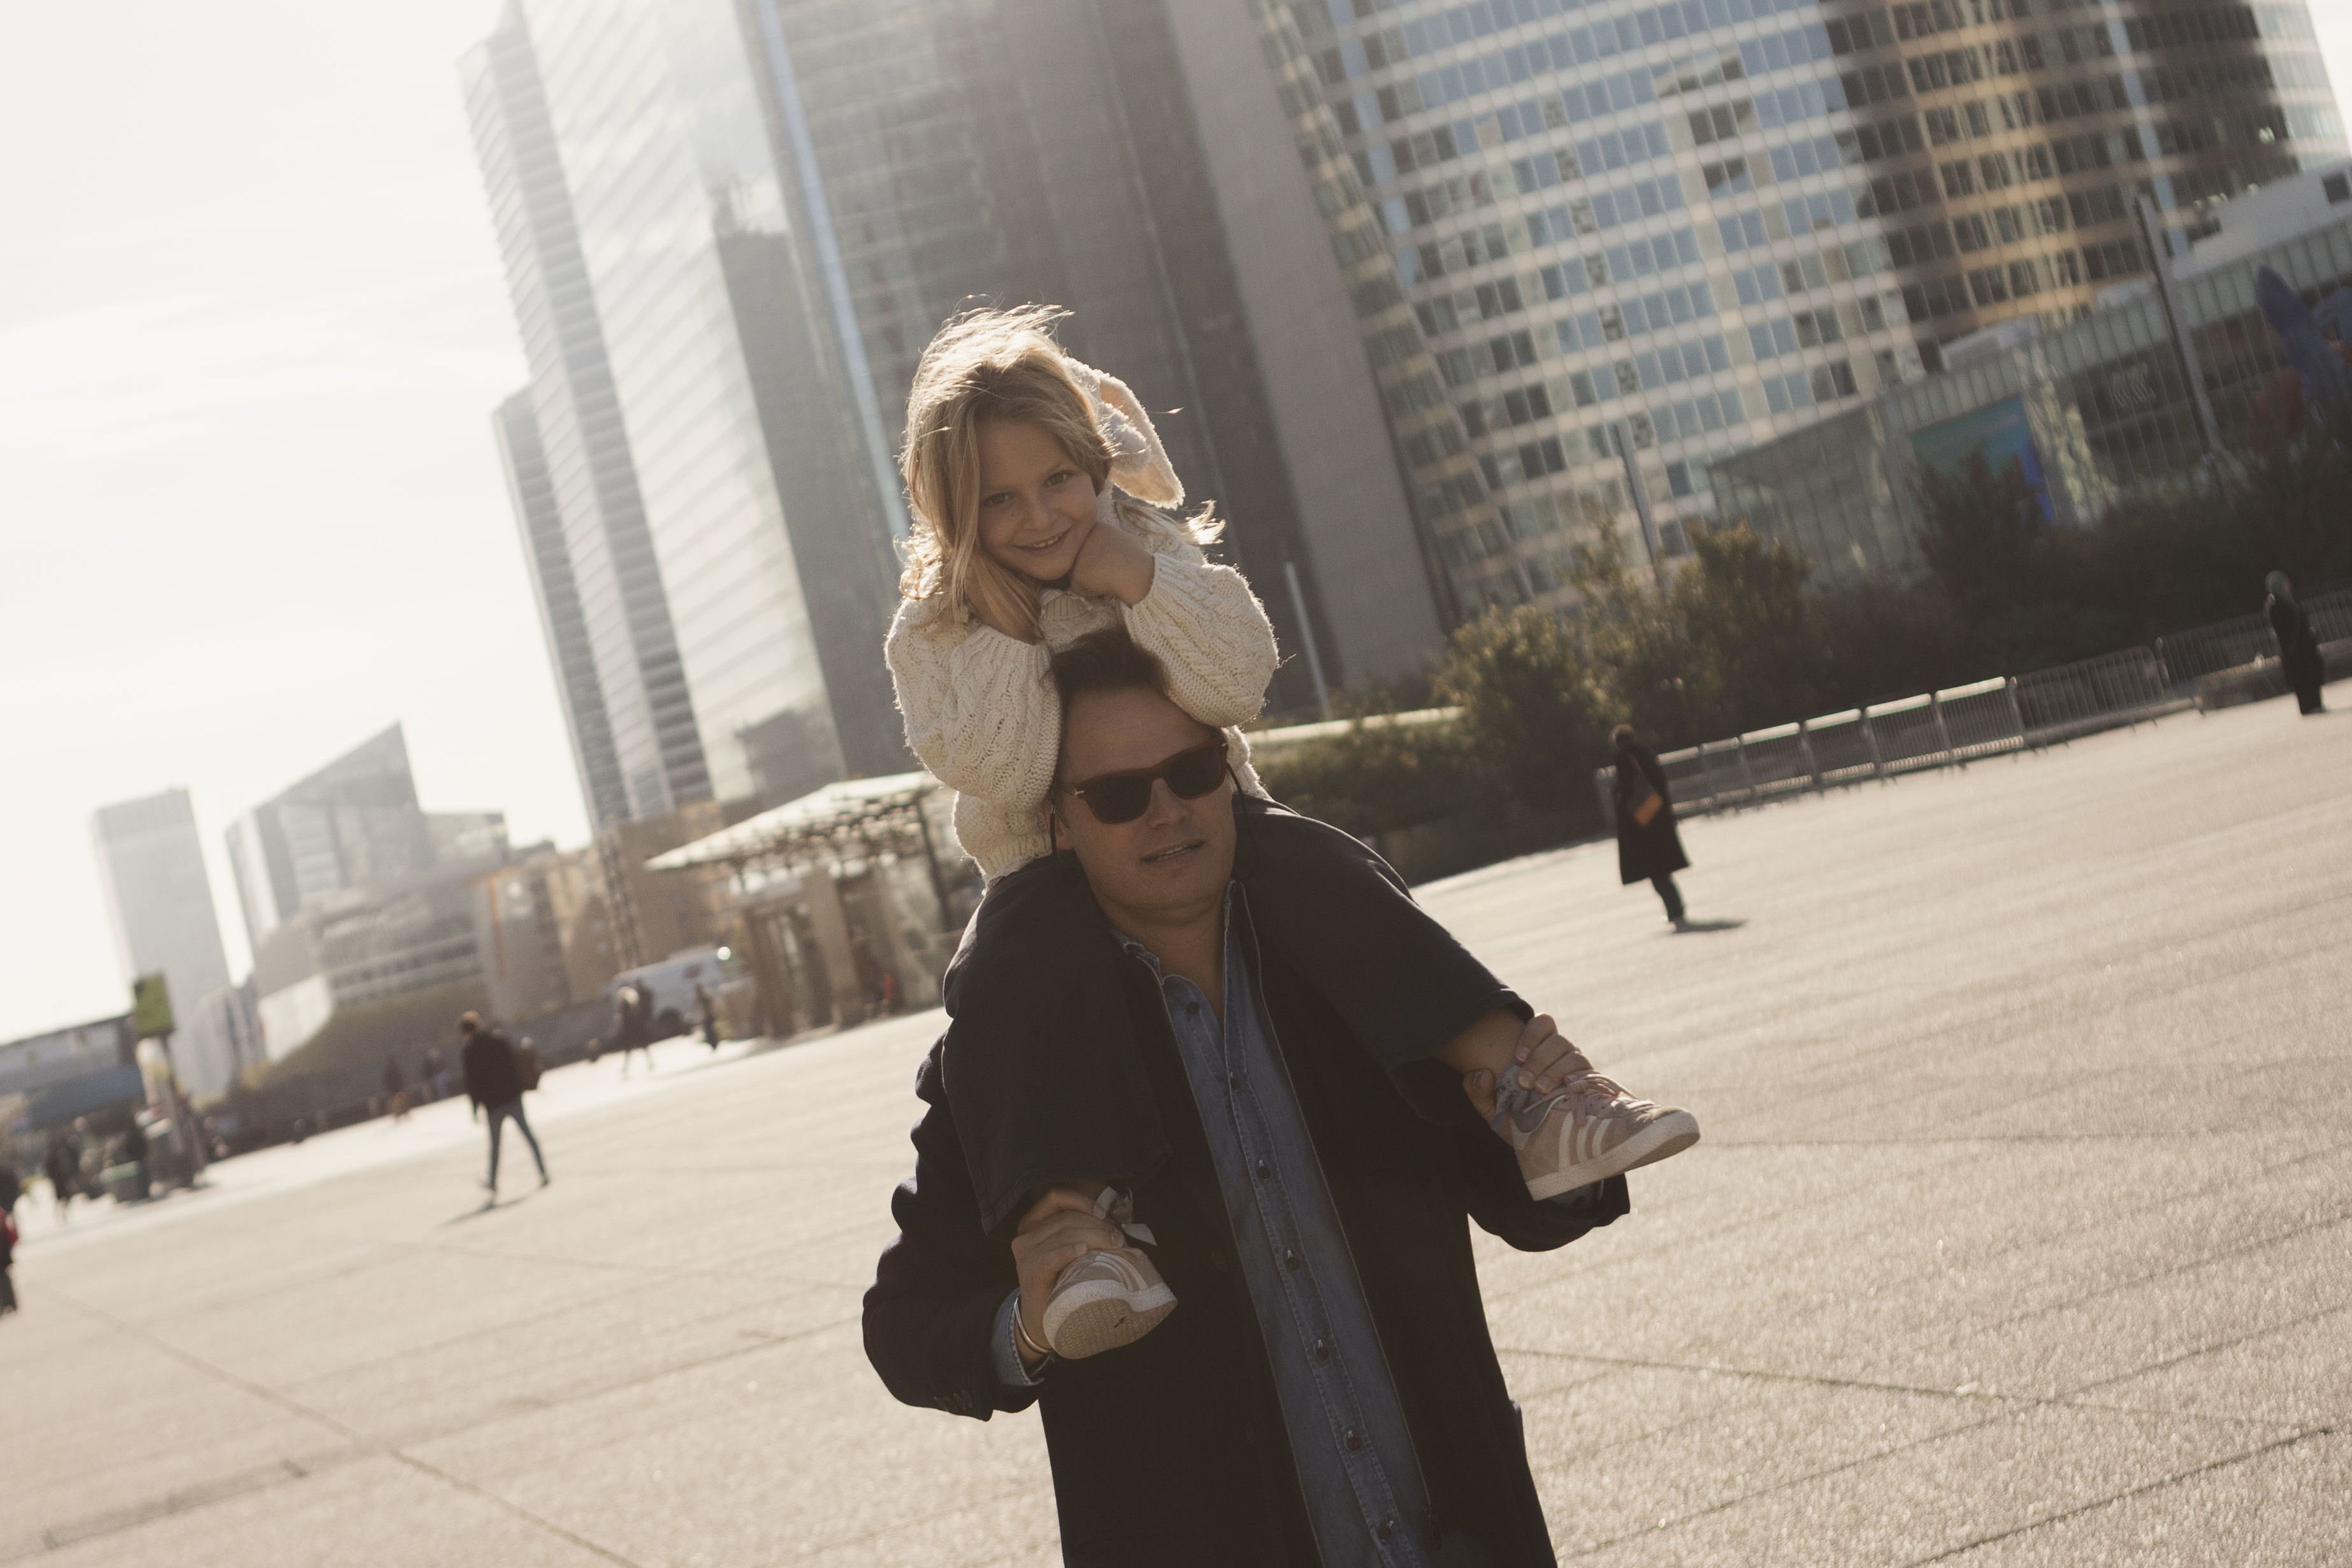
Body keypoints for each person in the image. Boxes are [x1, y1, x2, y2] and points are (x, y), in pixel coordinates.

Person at [885, 309, 1694, 1364]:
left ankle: (1538, 1097)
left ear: (1097, 465)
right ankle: (1076, 1233)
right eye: (999, 499)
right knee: (1006, 958)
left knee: (1323, 864)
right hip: (1050, 874)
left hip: (1226, 840)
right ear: (956, 512)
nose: (1042, 517)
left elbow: (1238, 678)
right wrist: (1024, 616)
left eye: (1059, 480)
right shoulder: (942, 627)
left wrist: (1133, 577)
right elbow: (1002, 762)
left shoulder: (1148, 552)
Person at [867, 631, 1671, 1563]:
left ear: (1230, 772)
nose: (1166, 811)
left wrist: (1550, 1136)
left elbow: (1541, 1205)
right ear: (1059, 821)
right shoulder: (1023, 1057)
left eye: (1192, 771)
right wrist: (1032, 1326)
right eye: (1119, 796)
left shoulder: (1354, 975)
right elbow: (903, 1324)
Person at [459, 1012, 547, 1196]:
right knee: (528, 1135)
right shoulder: (498, 1041)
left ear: (465, 1032)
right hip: (513, 1097)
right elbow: (515, 1065)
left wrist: (475, 1109)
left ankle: (492, 1181)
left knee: (495, 1145)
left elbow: (473, 1084)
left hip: (493, 1105)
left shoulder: (470, 1052)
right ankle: (543, 1171)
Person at [1613, 724, 1692, 928]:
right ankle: (1676, 908)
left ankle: (1674, 910)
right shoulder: (1647, 754)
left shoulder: (1624, 759)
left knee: (1655, 872)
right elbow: (1661, 784)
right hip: (1659, 816)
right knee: (1663, 870)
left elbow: (1626, 791)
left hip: (1642, 822)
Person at [2265, 571, 2326, 716]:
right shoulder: (2275, 605)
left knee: (2312, 674)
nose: (2288, 584)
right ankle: (2307, 707)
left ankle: (2317, 703)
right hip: (2293, 649)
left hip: (2305, 646)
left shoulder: (2290, 600)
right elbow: (2282, 629)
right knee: (2302, 678)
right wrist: (2290, 645)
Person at [613, 984, 654, 1076]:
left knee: (631, 1048)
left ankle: (626, 1067)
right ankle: (648, 1062)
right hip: (635, 1028)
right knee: (641, 1046)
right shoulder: (631, 1002)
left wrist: (621, 1024)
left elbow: (625, 1016)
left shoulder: (626, 1004)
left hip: (631, 1029)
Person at [43, 1134, 77, 1221]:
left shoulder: (53, 1156)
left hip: (59, 1180)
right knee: (62, 1197)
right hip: (60, 1180)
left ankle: (62, 1213)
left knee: (61, 1197)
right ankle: (62, 1213)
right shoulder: (57, 1156)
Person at [693, 981, 721, 1050]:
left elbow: (711, 1004)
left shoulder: (705, 996)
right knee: (709, 1031)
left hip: (708, 1016)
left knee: (711, 1031)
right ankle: (713, 1044)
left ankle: (714, 1043)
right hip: (705, 1017)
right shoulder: (700, 997)